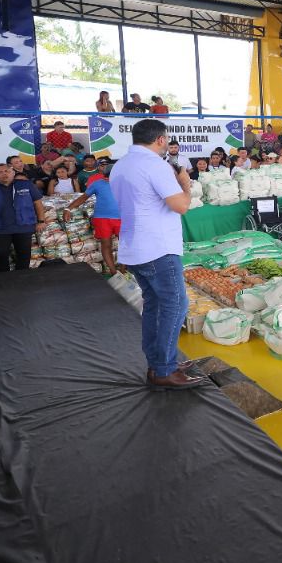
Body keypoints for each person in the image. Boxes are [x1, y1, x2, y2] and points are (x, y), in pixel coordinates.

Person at [110, 119, 204, 389]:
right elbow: (181, 206)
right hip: (158, 248)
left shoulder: (121, 165)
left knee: (155, 305)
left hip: (135, 246)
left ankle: (160, 361)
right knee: (175, 306)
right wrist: (185, 183)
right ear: (161, 140)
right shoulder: (156, 165)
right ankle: (163, 370)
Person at [64, 161, 121, 275]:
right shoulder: (97, 183)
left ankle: (124, 269)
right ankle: (113, 271)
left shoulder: (125, 183)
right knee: (106, 244)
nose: (107, 179)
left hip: (122, 218)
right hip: (102, 219)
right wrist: (68, 209)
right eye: (106, 176)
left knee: (126, 245)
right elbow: (83, 198)